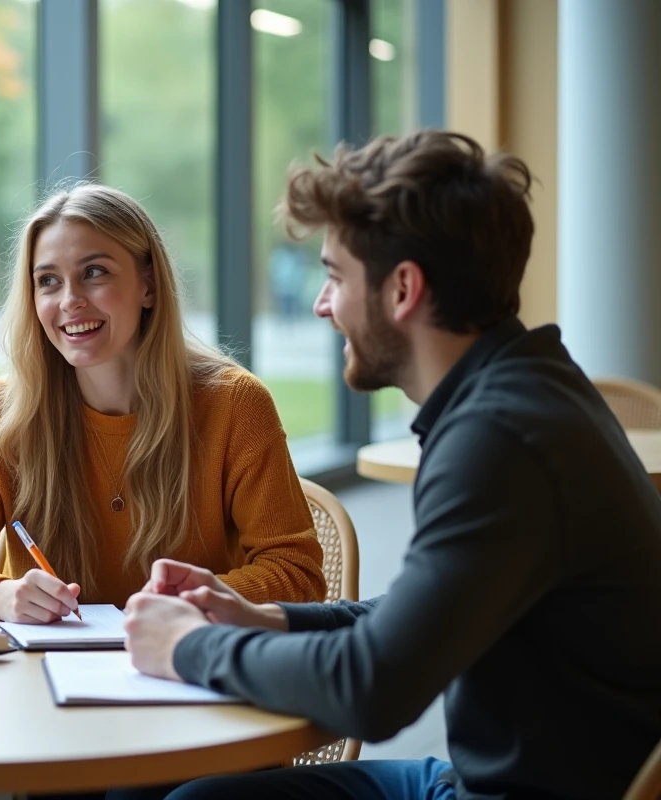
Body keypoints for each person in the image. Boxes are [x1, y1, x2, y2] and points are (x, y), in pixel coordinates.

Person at [122, 130, 661, 799]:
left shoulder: (499, 439)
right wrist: (267, 619)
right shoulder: (531, 385)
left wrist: (185, 647)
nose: (321, 304)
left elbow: (371, 689)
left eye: (335, 276)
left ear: (403, 288)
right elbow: (423, 615)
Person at [0, 184, 326, 623]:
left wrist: (195, 602)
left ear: (149, 285)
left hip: (188, 656)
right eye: (48, 281)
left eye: (94, 272)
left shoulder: (235, 405)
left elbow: (298, 573)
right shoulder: (3, 412)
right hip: (39, 663)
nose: (70, 300)